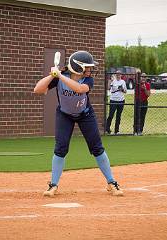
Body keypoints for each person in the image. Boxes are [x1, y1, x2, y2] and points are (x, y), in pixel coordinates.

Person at [34, 51, 123, 197]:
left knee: (97, 147)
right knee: (60, 147)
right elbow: (38, 89)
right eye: (87, 67)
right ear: (77, 67)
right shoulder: (59, 77)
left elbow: (79, 89)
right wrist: (52, 76)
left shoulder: (88, 80)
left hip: (85, 114)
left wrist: (60, 76)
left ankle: (111, 182)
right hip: (64, 115)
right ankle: (53, 185)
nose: (90, 70)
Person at [105, 70, 127, 134]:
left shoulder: (123, 82)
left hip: (121, 101)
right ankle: (107, 129)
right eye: (117, 74)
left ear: (121, 75)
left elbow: (125, 91)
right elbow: (108, 88)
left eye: (119, 74)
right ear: (115, 75)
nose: (118, 75)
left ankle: (116, 130)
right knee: (111, 115)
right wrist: (110, 81)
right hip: (113, 100)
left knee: (118, 116)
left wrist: (122, 89)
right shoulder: (113, 81)